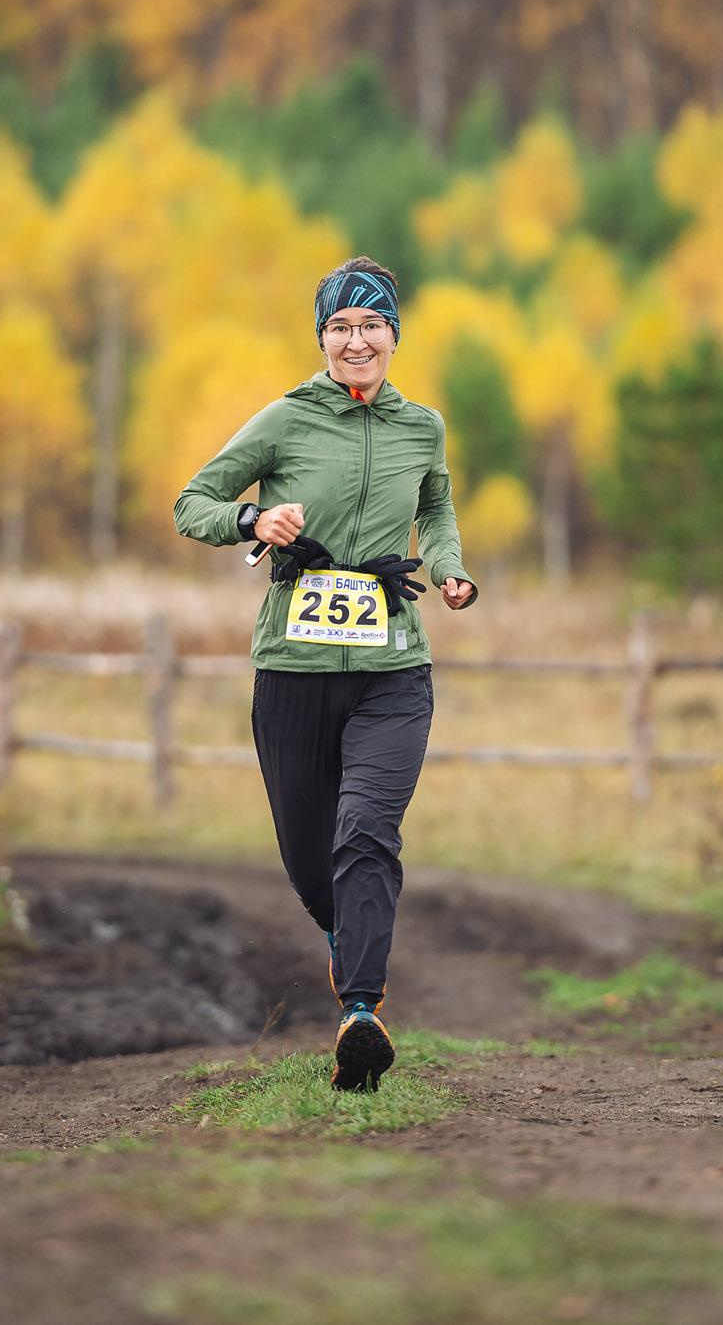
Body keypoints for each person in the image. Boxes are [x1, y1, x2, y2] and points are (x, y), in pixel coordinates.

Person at [172, 256, 477, 1092]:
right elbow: (190, 501)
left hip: (392, 667)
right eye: (340, 327)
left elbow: (437, 503)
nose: (356, 340)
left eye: (371, 325)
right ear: (322, 339)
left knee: (366, 832)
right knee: (311, 860)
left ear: (393, 336)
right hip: (292, 673)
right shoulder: (283, 420)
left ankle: (361, 1014)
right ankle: (349, 951)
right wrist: (252, 517)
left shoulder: (425, 426)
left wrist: (447, 566)